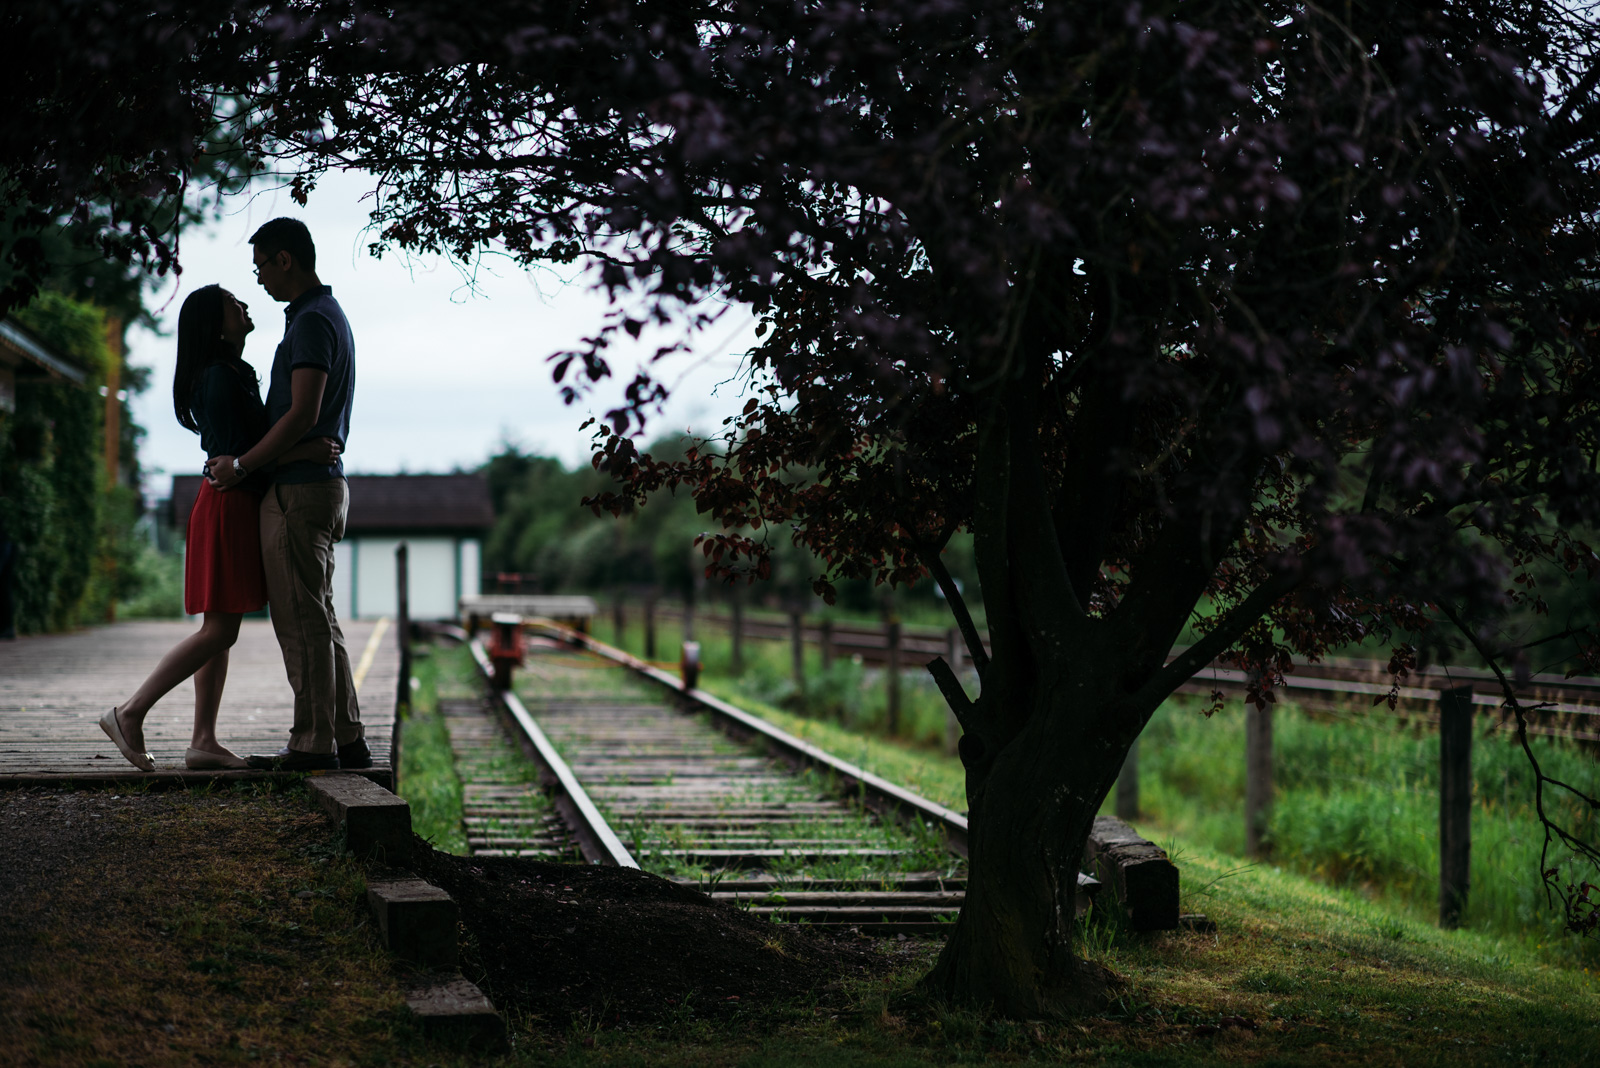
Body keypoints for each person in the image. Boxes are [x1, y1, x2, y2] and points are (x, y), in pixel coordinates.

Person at [100, 285, 340, 771]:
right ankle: (129, 712)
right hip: (227, 505)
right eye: (234, 303)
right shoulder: (220, 377)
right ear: (215, 323)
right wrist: (305, 451)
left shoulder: (232, 373)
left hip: (231, 503)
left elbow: (245, 454)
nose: (245, 306)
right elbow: (241, 459)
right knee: (219, 629)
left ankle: (203, 741)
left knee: (220, 625)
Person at [206, 217, 368, 773]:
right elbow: (307, 423)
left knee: (301, 620)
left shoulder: (311, 323)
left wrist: (245, 464)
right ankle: (346, 738)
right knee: (320, 616)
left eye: (261, 267)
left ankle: (310, 745)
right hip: (313, 484)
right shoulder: (322, 317)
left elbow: (302, 411)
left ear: (285, 260)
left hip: (299, 495)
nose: (258, 281)